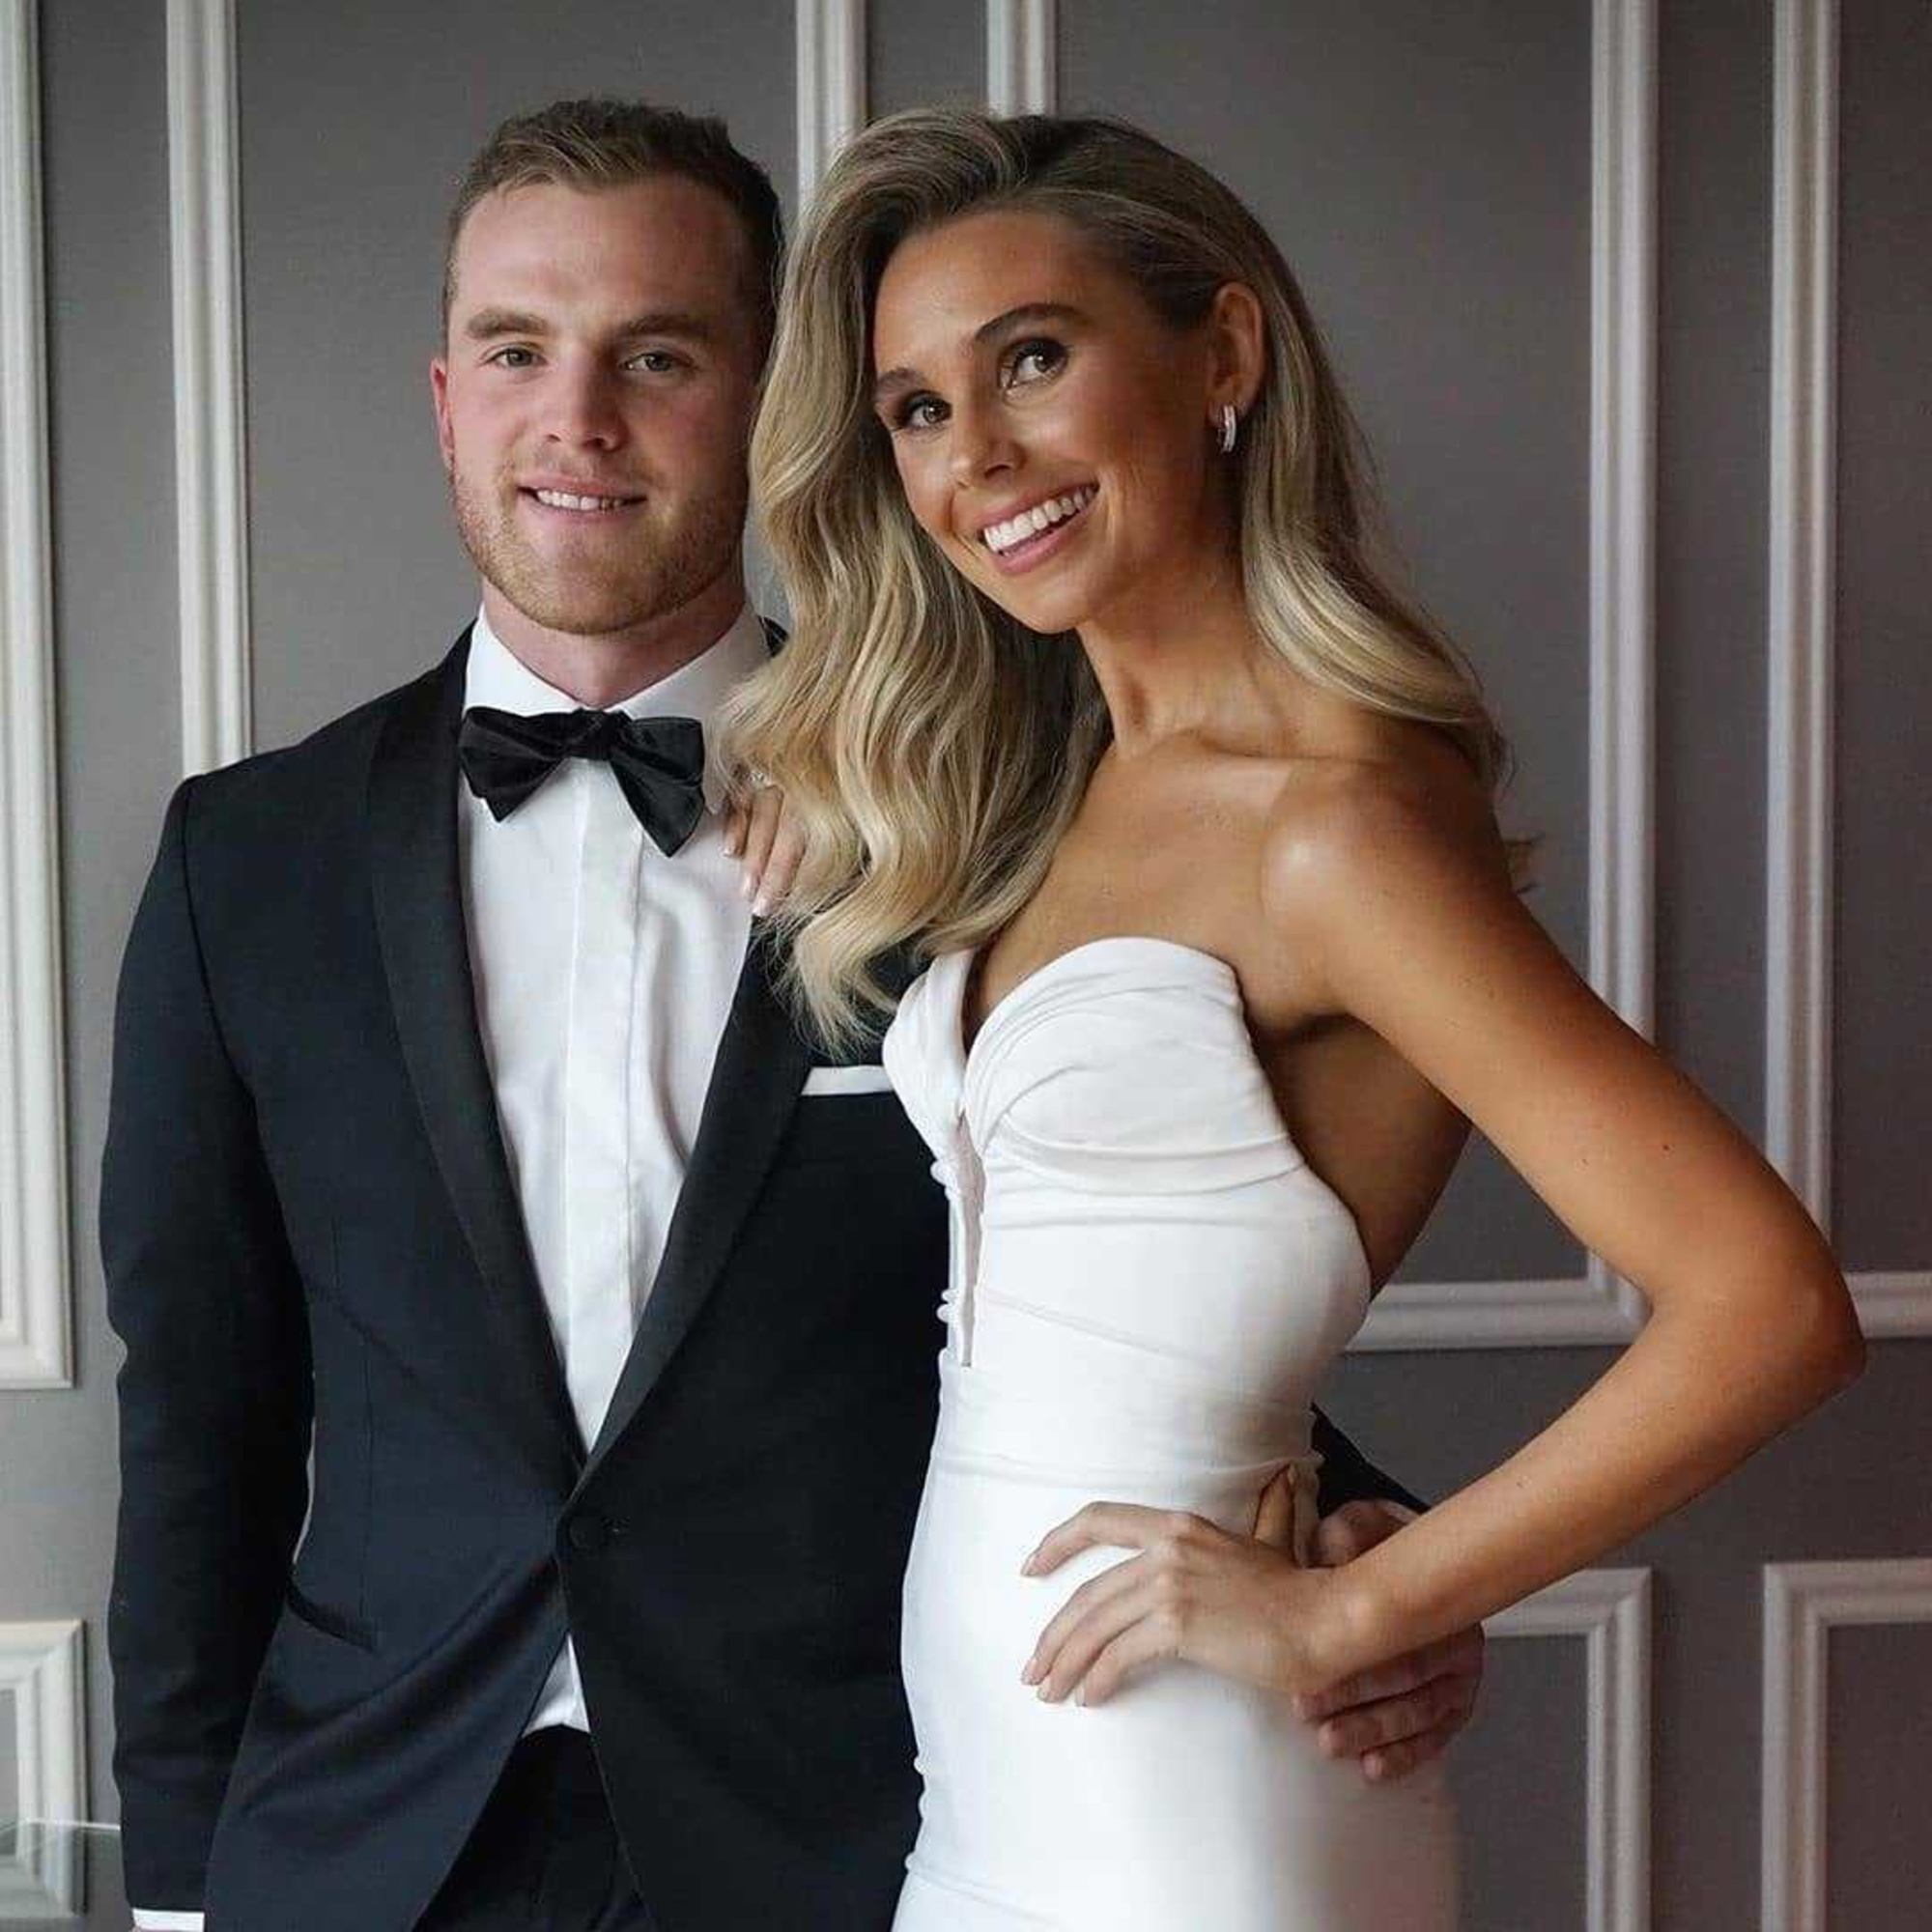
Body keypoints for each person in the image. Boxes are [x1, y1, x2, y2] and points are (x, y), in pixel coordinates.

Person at [100, 99, 1480, 1932]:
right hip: (371, 1839)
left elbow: (1123, 1240)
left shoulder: (999, 818)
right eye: (519, 351)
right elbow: (200, 1408)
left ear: (770, 402)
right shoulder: (240, 860)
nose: (577, 418)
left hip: (851, 1827)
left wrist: (1362, 1540)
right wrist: (191, 1890)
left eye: (657, 355)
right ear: (449, 399)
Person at [715, 106, 1866, 1930]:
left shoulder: (1336, 827)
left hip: (1189, 1816)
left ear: (1223, 356)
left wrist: (1355, 1610)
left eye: (1033, 358)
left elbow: (1769, 1306)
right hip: (1003, 1789)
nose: (974, 457)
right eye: (919, 409)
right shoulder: (1073, 789)